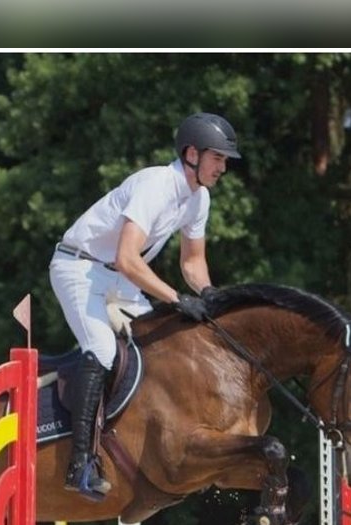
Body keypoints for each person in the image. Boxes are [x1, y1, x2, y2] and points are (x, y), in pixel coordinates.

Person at [49, 112, 242, 501]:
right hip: (78, 268)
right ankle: (80, 462)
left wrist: (209, 296)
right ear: (192, 154)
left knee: (160, 347)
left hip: (119, 278)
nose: (223, 167)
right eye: (217, 158)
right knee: (103, 350)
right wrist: (175, 299)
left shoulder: (198, 199)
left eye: (224, 160)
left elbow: (192, 263)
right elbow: (126, 256)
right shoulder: (156, 185)